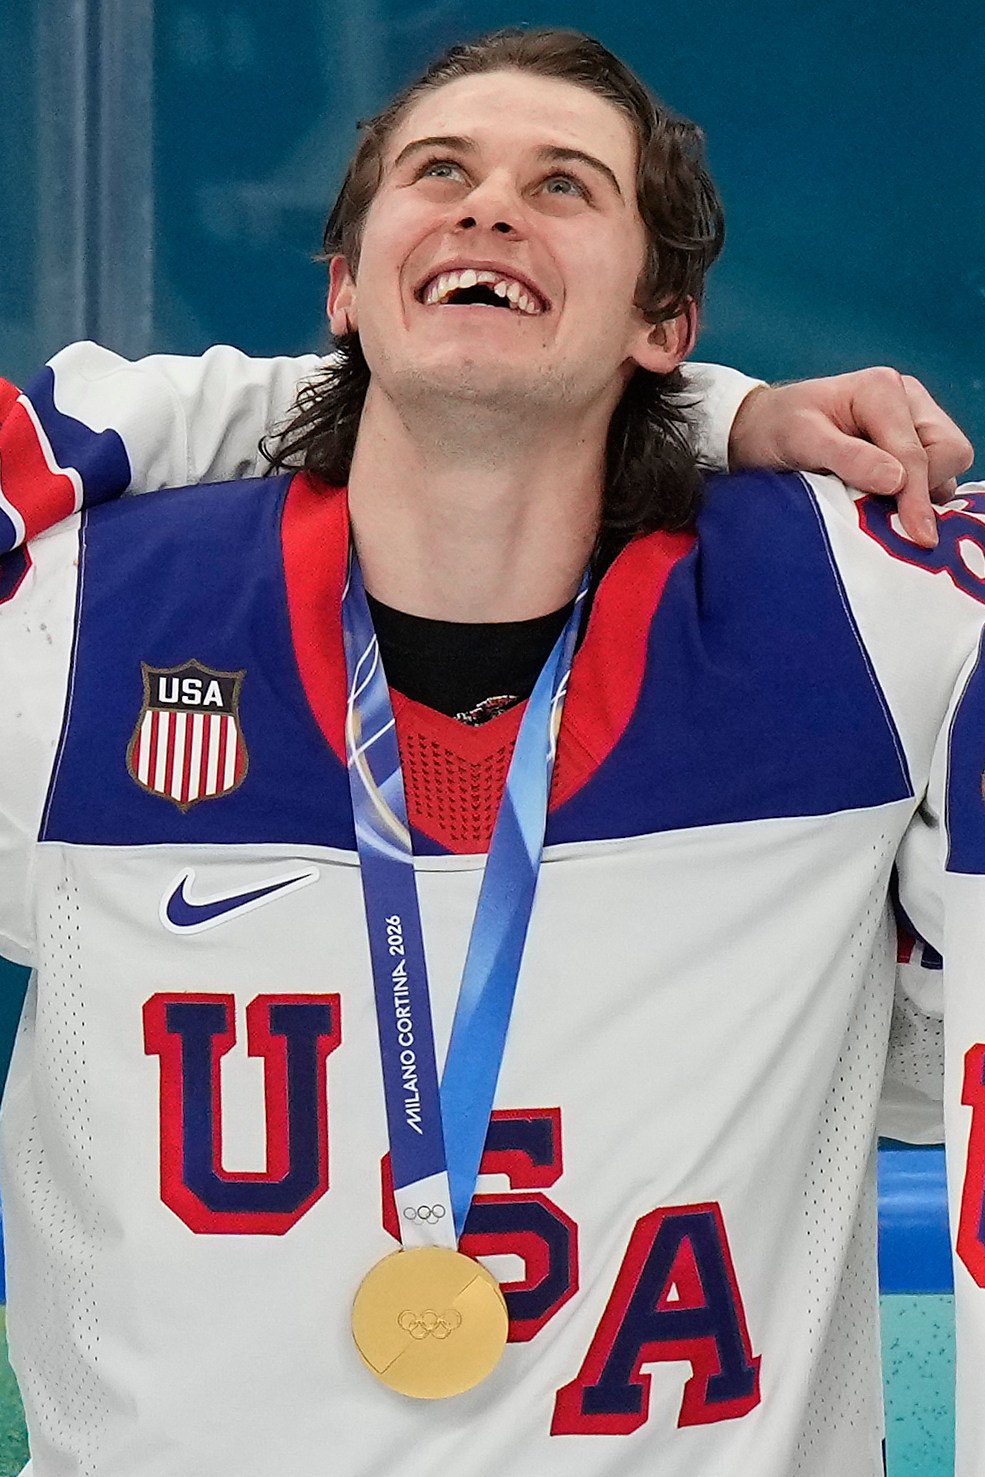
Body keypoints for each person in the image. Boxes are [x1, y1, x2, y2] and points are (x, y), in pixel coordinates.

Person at [0, 26, 981, 1477]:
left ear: (666, 321)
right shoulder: (76, 630)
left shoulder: (858, 611)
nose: (487, 206)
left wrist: (678, 411)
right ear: (341, 288)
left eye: (564, 187)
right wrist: (700, 406)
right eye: (438, 173)